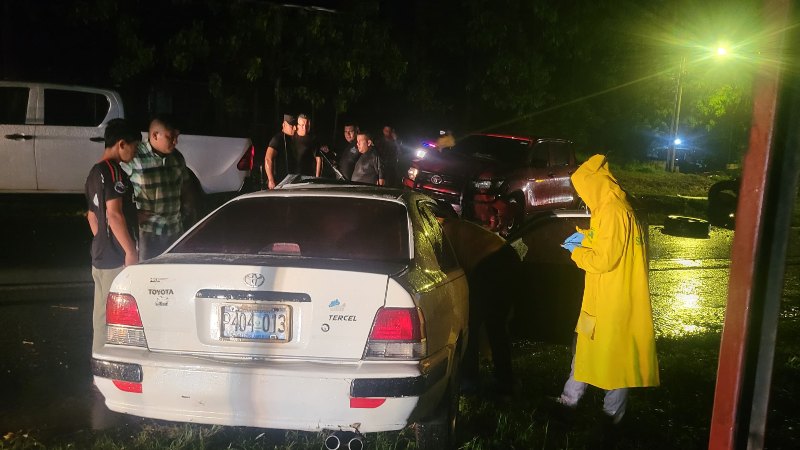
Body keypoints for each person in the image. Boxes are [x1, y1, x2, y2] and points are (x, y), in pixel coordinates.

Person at [552, 154, 659, 436]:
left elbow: (603, 260)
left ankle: (610, 418)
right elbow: (608, 241)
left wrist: (576, 251)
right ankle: (573, 403)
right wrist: (584, 236)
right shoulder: (615, 207)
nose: (583, 197)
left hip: (611, 303)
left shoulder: (612, 210)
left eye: (583, 190)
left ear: (594, 185)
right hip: (605, 300)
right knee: (587, 350)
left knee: (614, 361)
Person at [440, 213, 518, 398]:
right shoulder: (451, 226)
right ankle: (505, 380)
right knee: (496, 325)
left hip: (491, 263)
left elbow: (449, 271)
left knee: (469, 326)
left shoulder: (440, 231)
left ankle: (470, 382)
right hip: (505, 257)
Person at [85, 118, 141, 354]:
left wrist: (104, 242)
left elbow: (92, 216)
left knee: (101, 314)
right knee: (117, 316)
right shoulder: (113, 171)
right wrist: (130, 251)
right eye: (135, 146)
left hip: (100, 255)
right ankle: (109, 361)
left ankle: (98, 357)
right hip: (116, 258)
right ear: (121, 144)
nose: (135, 153)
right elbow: (114, 215)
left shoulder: (94, 172)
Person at [121, 115, 189, 260]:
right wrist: (131, 214)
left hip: (175, 230)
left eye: (177, 137)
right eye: (170, 137)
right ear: (155, 135)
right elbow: (116, 190)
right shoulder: (135, 156)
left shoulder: (177, 158)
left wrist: (188, 211)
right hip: (148, 232)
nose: (175, 141)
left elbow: (186, 187)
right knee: (147, 272)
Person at [265, 114, 297, 189]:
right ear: (284, 124)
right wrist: (271, 180)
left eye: (296, 125)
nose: (295, 128)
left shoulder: (295, 138)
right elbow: (268, 159)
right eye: (292, 126)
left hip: (292, 181)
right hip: (279, 182)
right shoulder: (277, 139)